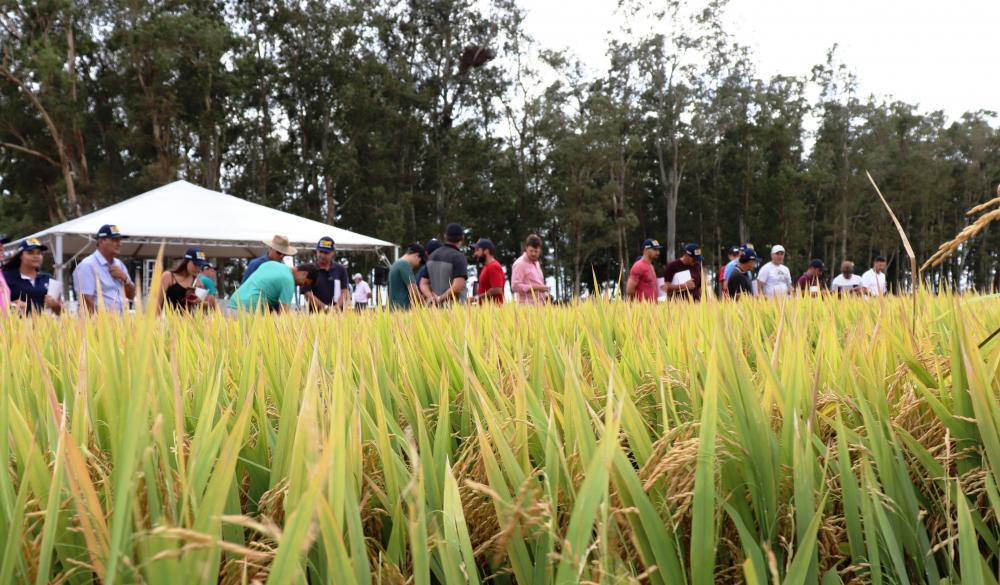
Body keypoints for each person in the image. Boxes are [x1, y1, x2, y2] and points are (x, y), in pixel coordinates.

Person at [73, 224, 136, 314]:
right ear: (101, 241)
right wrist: (105, 323)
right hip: (99, 324)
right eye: (115, 240)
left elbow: (132, 295)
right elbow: (86, 301)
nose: (119, 243)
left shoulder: (119, 264)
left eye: (120, 240)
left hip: (120, 324)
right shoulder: (87, 265)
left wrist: (125, 278)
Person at [2, 238, 63, 315]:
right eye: (30, 252)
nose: (36, 256)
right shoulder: (5, 278)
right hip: (17, 326)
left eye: (39, 253)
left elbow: (62, 311)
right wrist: (11, 305)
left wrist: (55, 305)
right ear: (20, 255)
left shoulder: (48, 278)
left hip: (45, 326)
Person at [230, 261, 318, 313]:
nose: (302, 285)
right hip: (249, 311)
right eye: (305, 282)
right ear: (304, 274)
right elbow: (284, 314)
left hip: (233, 304)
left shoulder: (271, 264)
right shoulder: (288, 280)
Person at [301, 237, 350, 312]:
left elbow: (345, 291)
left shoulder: (340, 269)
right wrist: (325, 308)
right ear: (316, 251)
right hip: (315, 315)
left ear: (333, 253)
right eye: (321, 252)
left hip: (337, 314)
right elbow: (307, 293)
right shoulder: (309, 269)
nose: (322, 255)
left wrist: (336, 307)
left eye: (326, 253)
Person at [156, 248, 209, 313]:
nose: (198, 268)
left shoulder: (197, 282)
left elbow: (207, 305)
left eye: (200, 265)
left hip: (188, 321)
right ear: (186, 261)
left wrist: (200, 302)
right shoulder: (168, 277)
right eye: (195, 264)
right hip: (168, 321)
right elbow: (156, 304)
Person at [426, 223, 469, 304]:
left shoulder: (432, 255)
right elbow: (457, 287)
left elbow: (423, 282)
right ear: (462, 238)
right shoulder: (459, 257)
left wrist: (431, 297)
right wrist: (440, 299)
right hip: (454, 309)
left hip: (433, 311)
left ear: (445, 236)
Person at [511, 234, 550, 304]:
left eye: (536, 251)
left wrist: (545, 295)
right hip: (525, 308)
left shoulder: (537, 263)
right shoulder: (520, 264)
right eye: (531, 251)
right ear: (526, 248)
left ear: (540, 250)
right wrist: (537, 288)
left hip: (539, 306)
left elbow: (538, 284)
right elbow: (515, 286)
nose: (533, 254)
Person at [388, 243, 426, 310]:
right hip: (404, 310)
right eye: (420, 262)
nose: (418, 265)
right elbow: (413, 290)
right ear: (417, 255)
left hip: (394, 310)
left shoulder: (395, 264)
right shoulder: (404, 265)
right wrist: (424, 306)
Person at [472, 238, 505, 304]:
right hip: (487, 310)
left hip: (494, 311)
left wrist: (476, 298)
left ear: (486, 251)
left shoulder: (493, 267)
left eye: (477, 250)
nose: (475, 254)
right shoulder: (487, 267)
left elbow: (497, 289)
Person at [418, 238, 443, 304]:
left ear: (426, 253)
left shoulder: (423, 269)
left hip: (429, 305)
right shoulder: (449, 266)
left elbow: (418, 289)